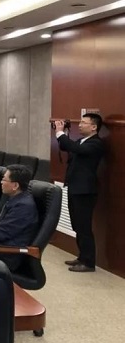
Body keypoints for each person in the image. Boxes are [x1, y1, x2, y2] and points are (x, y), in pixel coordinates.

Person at [55, 114, 105, 272]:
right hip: (74, 188)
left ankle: (88, 263)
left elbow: (77, 149)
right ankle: (82, 257)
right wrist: (64, 134)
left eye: (84, 122)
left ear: (94, 127)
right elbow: (67, 147)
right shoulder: (81, 141)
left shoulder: (96, 143)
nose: (80, 125)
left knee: (84, 227)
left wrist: (60, 132)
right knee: (77, 225)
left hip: (85, 191)